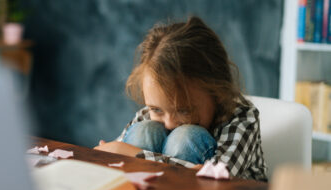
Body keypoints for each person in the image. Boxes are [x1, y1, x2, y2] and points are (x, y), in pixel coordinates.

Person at [95, 16, 267, 181]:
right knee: (145, 131)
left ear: (218, 95)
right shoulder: (150, 115)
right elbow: (111, 154)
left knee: (185, 137)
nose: (169, 124)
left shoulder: (244, 118)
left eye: (184, 110)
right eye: (156, 109)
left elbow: (213, 176)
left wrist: (133, 154)